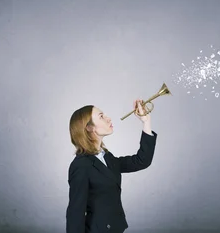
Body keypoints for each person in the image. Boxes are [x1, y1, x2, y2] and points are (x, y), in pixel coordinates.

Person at [66, 100, 157, 233]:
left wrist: (146, 121)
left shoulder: (107, 157)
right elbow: (75, 213)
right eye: (101, 116)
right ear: (89, 127)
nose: (108, 118)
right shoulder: (80, 166)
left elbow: (141, 161)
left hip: (116, 228)